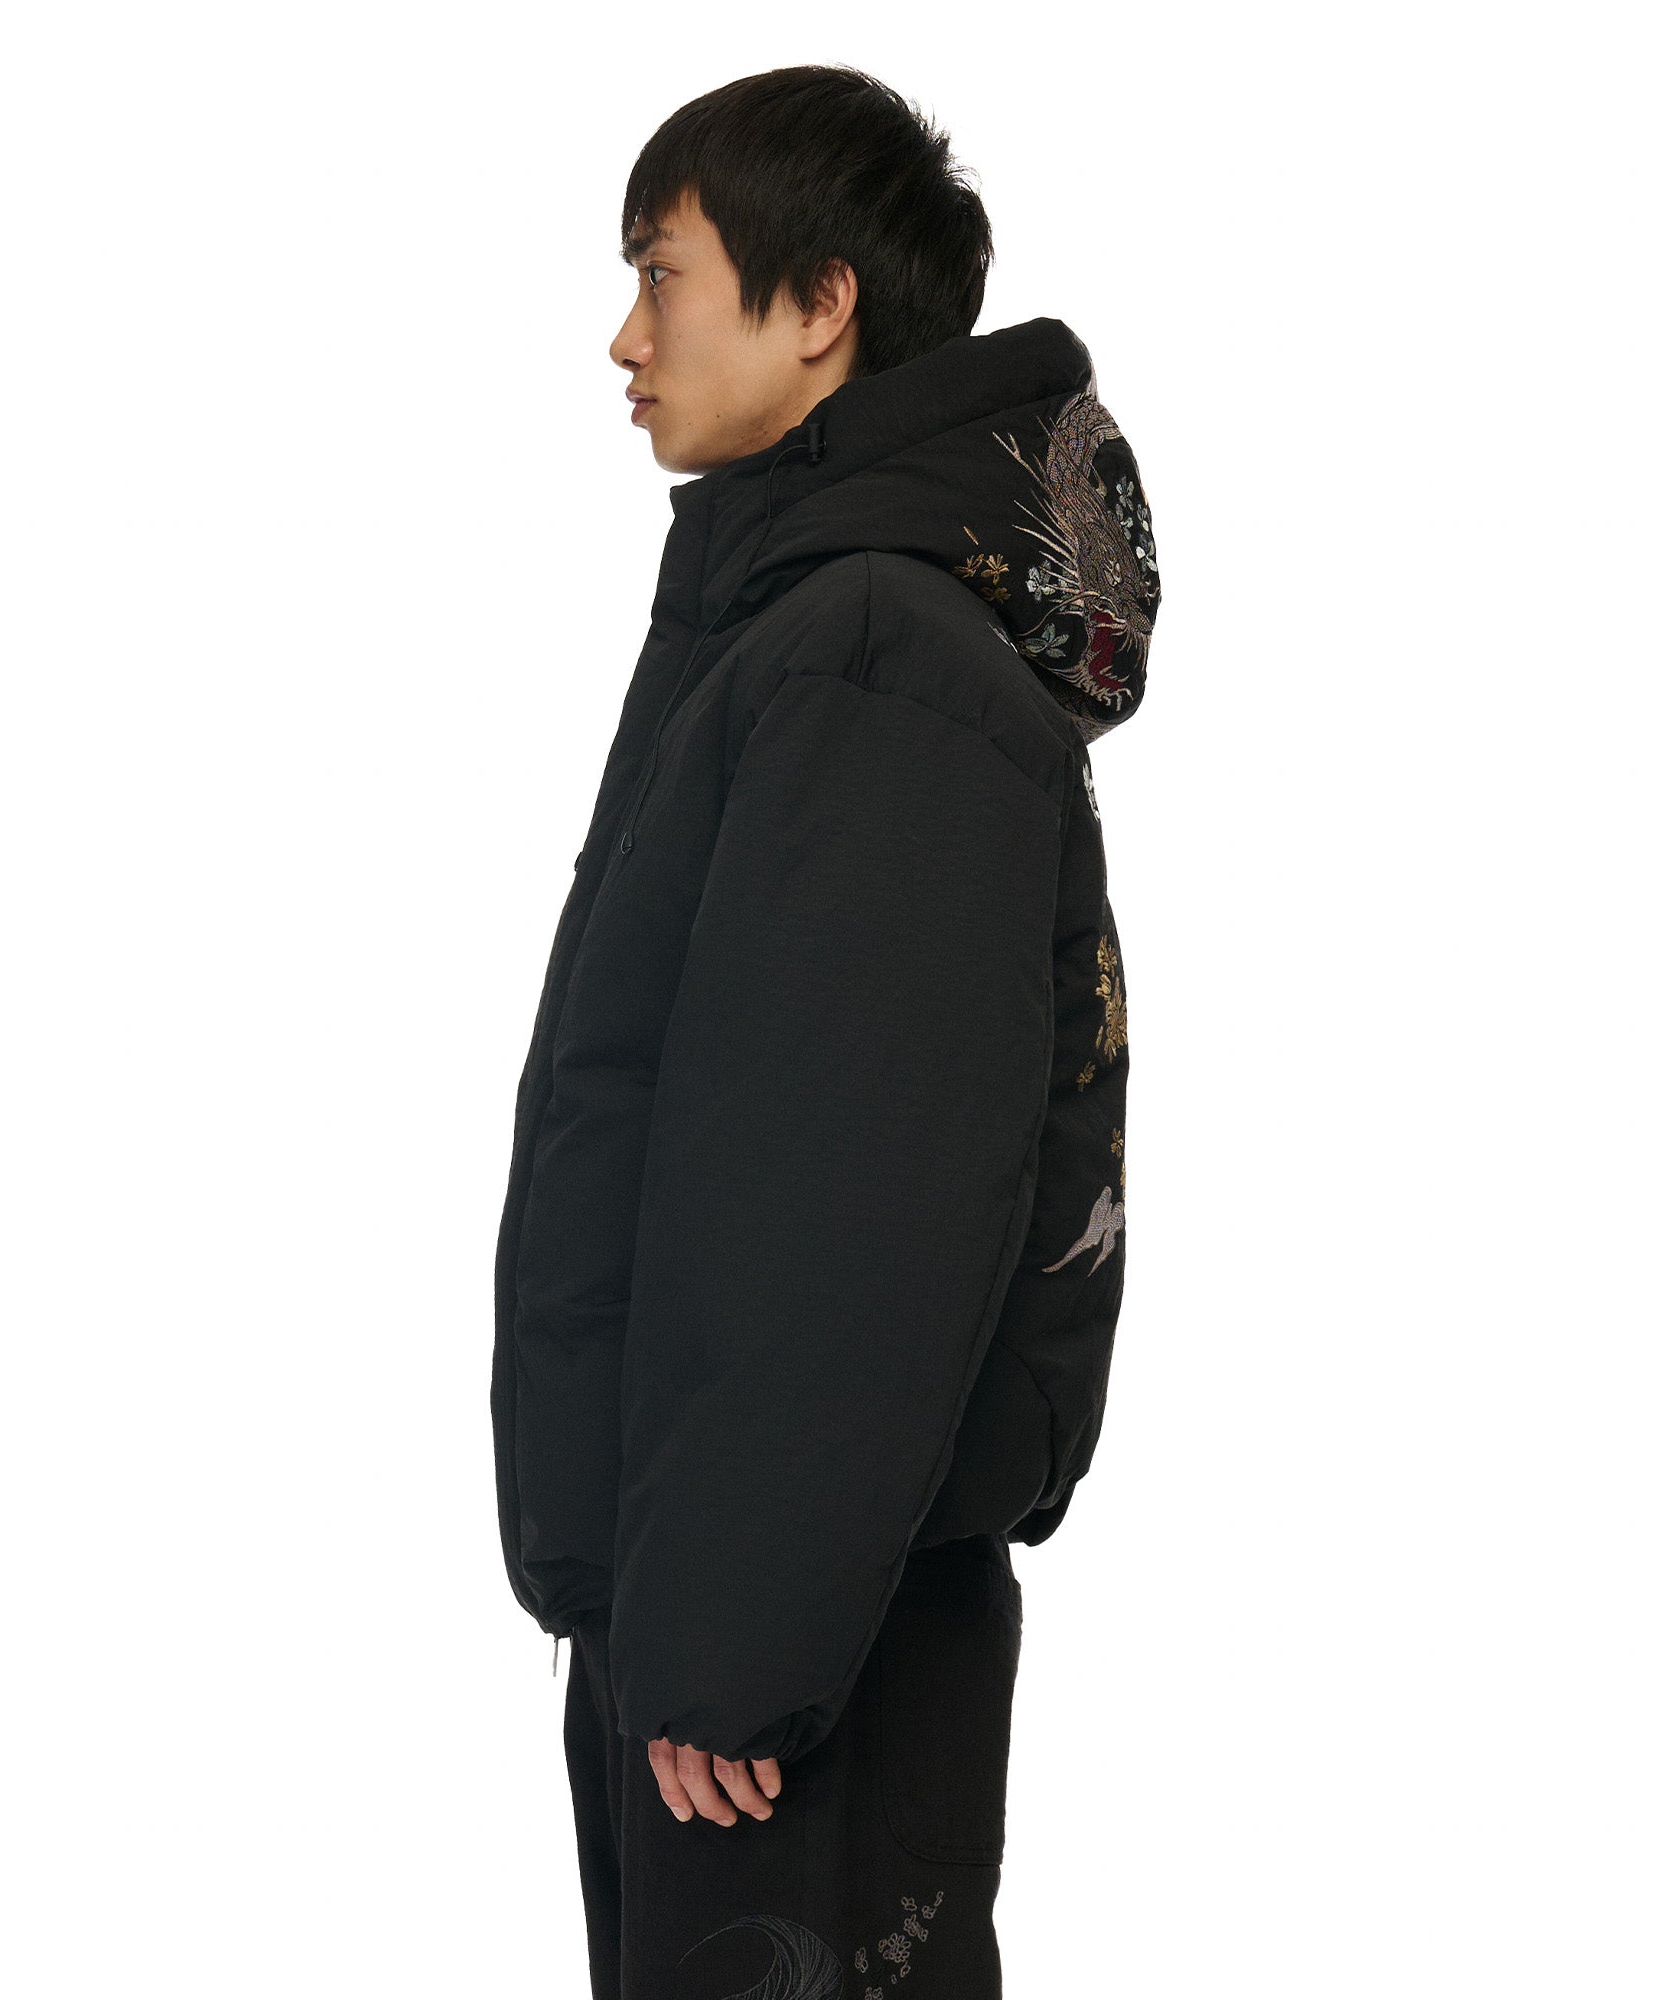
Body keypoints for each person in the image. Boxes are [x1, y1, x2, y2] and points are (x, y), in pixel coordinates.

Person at [490, 64, 1160, 1998]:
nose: (625, 339)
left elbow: (852, 1192)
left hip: (790, 1640)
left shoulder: (875, 661)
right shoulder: (806, 631)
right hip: (746, 1602)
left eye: (661, 274)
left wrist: (735, 1639)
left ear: (821, 304)